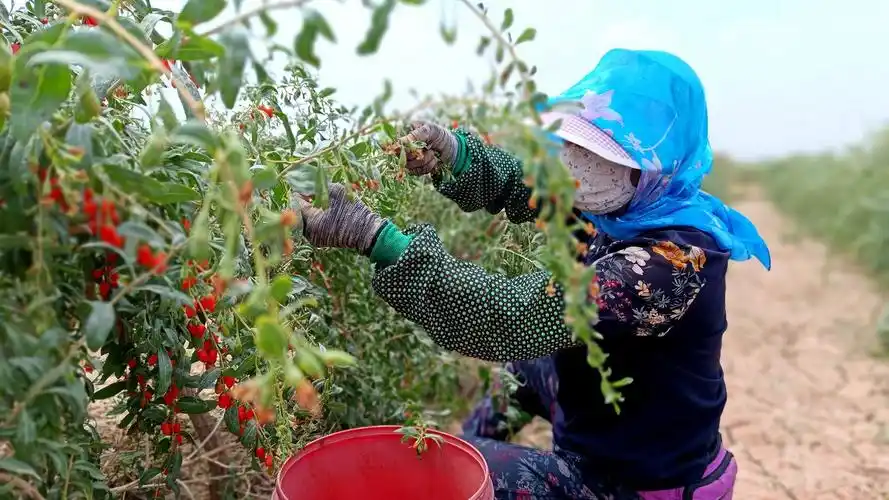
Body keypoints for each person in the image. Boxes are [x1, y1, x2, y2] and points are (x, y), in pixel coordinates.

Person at [296, 48, 771, 499]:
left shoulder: (671, 263)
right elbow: (532, 189)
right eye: (578, 144)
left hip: (639, 484)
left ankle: (482, 475)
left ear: (658, 166)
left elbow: (514, 318)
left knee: (451, 468)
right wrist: (457, 156)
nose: (580, 169)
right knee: (521, 378)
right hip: (612, 428)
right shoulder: (628, 206)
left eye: (607, 156)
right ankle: (481, 448)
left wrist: (380, 241)